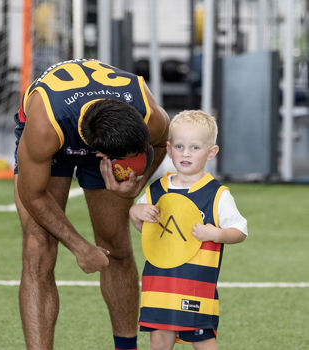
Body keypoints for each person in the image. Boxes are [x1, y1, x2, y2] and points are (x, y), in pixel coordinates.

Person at [14, 58, 170, 350]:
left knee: (116, 246)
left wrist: (137, 183)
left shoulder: (149, 115)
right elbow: (32, 195)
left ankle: (126, 348)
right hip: (59, 131)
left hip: (100, 129)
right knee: (38, 248)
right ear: (99, 155)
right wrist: (79, 247)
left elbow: (161, 144)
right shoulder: (45, 126)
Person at [129, 110, 248, 350]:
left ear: (211, 152)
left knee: (203, 341)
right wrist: (136, 213)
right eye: (180, 146)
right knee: (158, 340)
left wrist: (217, 234)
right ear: (170, 149)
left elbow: (240, 230)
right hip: (159, 284)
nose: (185, 153)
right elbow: (147, 230)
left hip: (195, 288)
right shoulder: (156, 191)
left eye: (195, 148)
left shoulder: (217, 195)